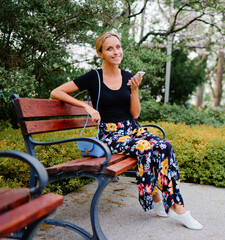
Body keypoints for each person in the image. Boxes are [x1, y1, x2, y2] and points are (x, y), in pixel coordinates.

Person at [50, 32, 203, 230]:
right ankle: (167, 203)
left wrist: (135, 90)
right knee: (144, 147)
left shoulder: (128, 77)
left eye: (118, 47)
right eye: (110, 48)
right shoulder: (93, 77)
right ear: (100, 53)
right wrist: (85, 106)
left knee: (164, 146)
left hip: (131, 129)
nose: (116, 52)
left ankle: (167, 201)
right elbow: (56, 92)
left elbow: (135, 114)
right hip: (109, 134)